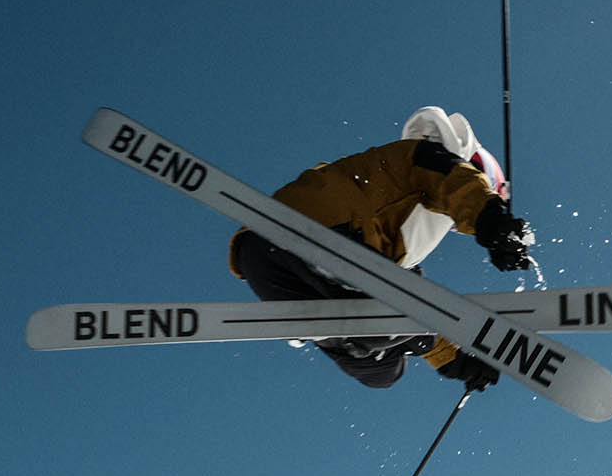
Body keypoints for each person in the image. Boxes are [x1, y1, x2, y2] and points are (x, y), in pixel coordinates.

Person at [228, 107, 534, 390]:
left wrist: (453, 361)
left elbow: (406, 287)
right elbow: (459, 184)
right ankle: (355, 336)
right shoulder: (427, 159)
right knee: (405, 315)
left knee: (386, 371)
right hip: (320, 233)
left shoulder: (398, 224)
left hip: (261, 258)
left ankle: (342, 336)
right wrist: (494, 223)